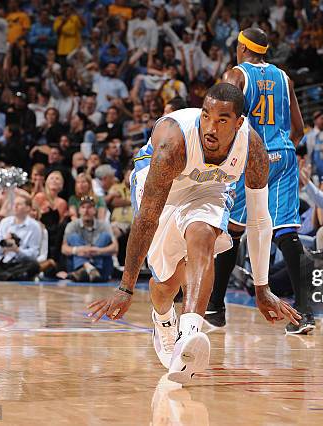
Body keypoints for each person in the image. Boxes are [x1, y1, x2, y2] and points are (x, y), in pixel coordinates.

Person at [87, 83, 299, 384]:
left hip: (209, 188)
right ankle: (163, 320)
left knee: (203, 235)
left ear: (239, 123)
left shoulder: (252, 149)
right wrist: (125, 288)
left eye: (222, 120)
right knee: (166, 282)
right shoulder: (174, 142)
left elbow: (260, 220)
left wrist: (262, 288)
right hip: (160, 185)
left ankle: (189, 334)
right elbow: (147, 218)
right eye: (206, 116)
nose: (211, 128)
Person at [205, 28, 310, 334]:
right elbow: (299, 128)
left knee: (231, 229)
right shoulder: (284, 77)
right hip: (285, 155)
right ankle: (306, 313)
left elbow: (221, 120)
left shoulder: (236, 75)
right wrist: (279, 150)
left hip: (251, 157)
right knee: (287, 232)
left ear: (242, 48)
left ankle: (216, 309)